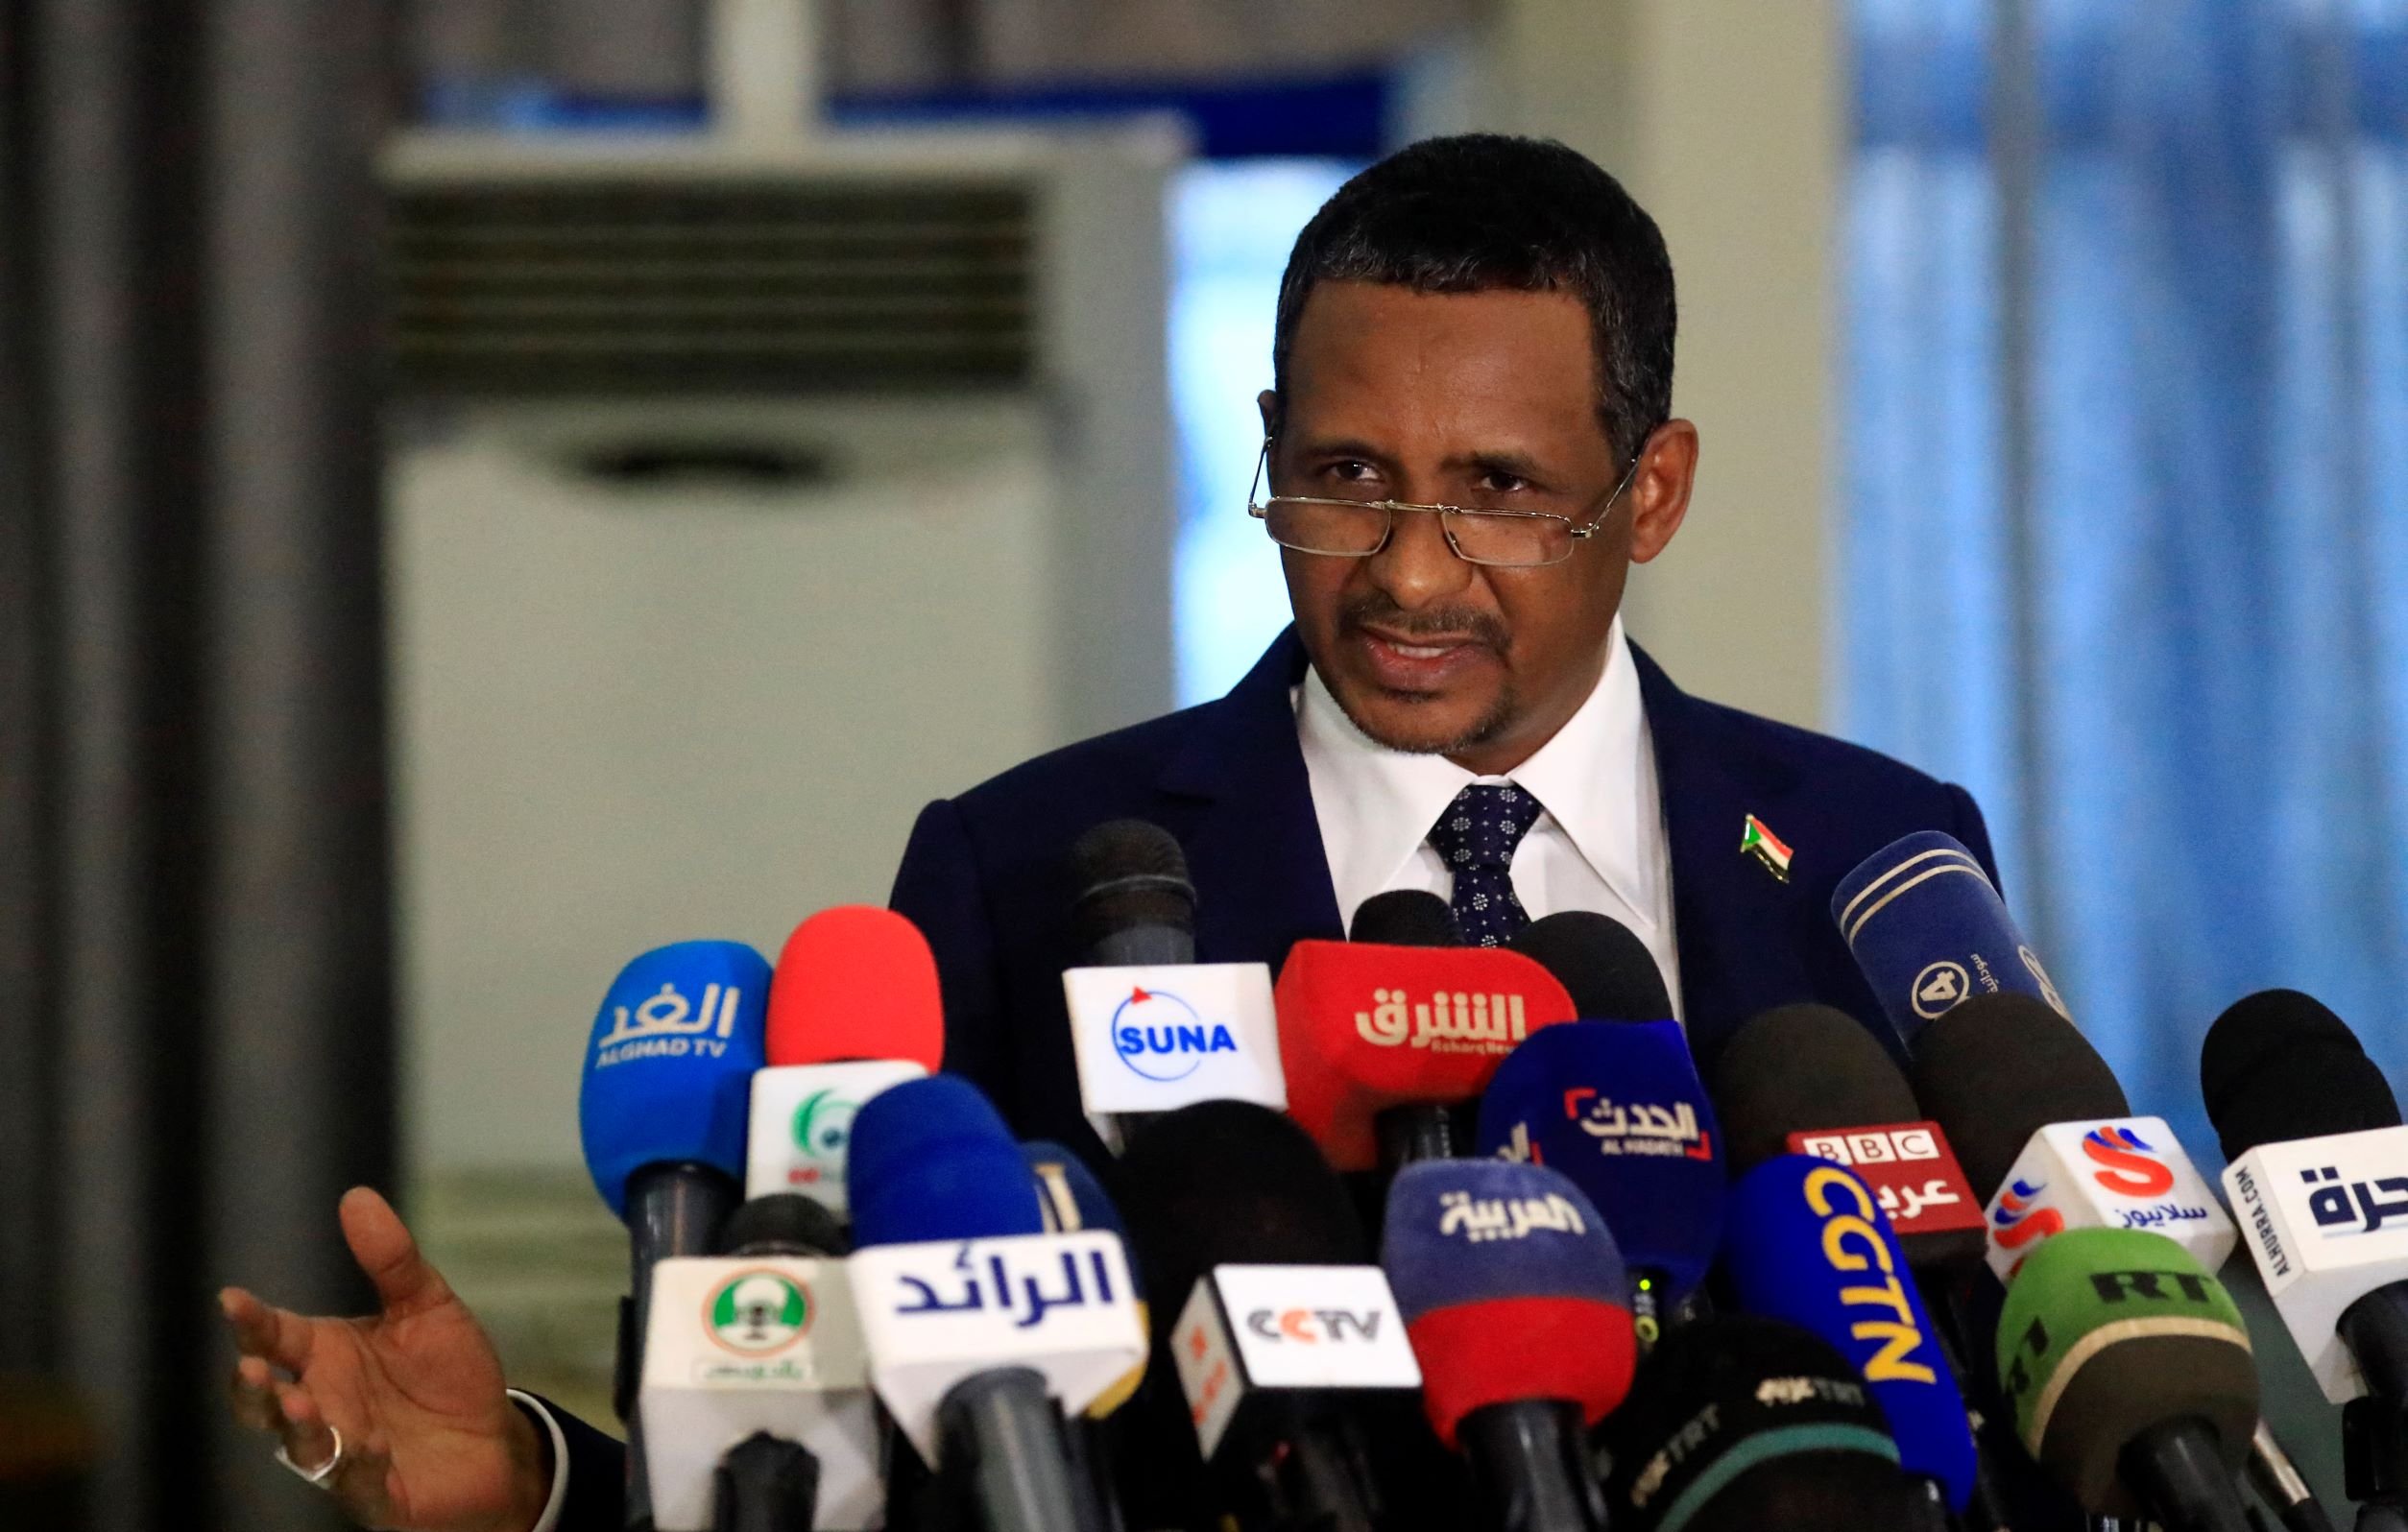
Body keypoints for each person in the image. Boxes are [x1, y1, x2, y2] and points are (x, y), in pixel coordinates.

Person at [221, 132, 1997, 1531]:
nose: (1405, 571)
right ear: (1269, 441)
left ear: (1653, 491)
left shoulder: (1874, 861)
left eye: (1503, 493)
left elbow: (2010, 1399)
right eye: (1346, 474)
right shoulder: (1022, 875)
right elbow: (880, 1460)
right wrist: (539, 1483)